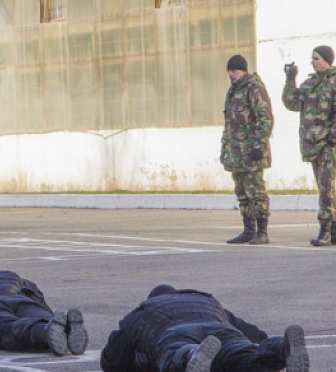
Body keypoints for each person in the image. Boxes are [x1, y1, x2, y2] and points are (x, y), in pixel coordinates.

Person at [101, 284, 309, 372]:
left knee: (175, 353)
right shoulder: (207, 301)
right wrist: (268, 344)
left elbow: (113, 358)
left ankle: (191, 356)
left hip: (176, 332)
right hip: (219, 328)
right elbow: (256, 334)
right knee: (245, 353)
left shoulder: (146, 310)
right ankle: (281, 349)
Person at [282, 46, 336, 246]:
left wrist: (331, 138)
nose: (312, 61)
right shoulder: (310, 83)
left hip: (329, 145)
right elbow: (291, 103)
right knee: (326, 188)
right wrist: (290, 79)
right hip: (313, 145)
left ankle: (325, 230)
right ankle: (333, 229)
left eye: (316, 58)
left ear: (327, 60)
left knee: (327, 189)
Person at [221, 55, 274, 245]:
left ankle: (262, 231)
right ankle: (248, 229)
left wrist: (259, 145)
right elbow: (228, 124)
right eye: (228, 71)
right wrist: (224, 149)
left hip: (251, 152)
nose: (230, 74)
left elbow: (265, 118)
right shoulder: (232, 92)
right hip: (236, 153)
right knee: (242, 193)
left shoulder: (254, 88)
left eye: (234, 70)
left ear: (243, 70)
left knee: (256, 191)